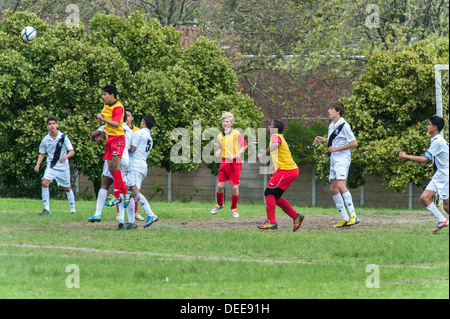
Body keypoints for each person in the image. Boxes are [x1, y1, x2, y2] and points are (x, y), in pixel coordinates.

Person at [399, 116, 449, 232]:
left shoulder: (438, 142)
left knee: (440, 203)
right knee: (428, 199)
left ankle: (442, 220)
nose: (427, 127)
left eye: (429, 125)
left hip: (445, 175)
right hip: (441, 174)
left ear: (435, 127)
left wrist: (406, 156)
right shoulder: (438, 140)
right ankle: (442, 220)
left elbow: (424, 159)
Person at [315, 101, 359, 228]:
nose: (329, 111)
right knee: (333, 188)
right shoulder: (332, 125)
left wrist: (336, 149)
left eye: (331, 109)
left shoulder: (344, 125)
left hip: (342, 159)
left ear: (338, 111)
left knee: (340, 185)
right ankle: (344, 218)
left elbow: (354, 143)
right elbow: (334, 141)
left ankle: (353, 216)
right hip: (334, 159)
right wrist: (323, 140)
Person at [87, 111, 133, 228]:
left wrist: (95, 139)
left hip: (114, 157)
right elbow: (132, 148)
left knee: (105, 184)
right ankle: (121, 218)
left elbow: (93, 134)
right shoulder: (129, 130)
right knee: (121, 187)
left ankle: (98, 214)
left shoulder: (109, 125)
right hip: (125, 159)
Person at [257, 120, 304, 231]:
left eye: (270, 125)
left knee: (268, 192)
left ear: (275, 129)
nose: (268, 127)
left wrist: (264, 153)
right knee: (275, 197)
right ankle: (296, 217)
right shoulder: (277, 137)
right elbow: (277, 154)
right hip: (288, 170)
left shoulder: (275, 137)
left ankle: (271, 222)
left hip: (286, 170)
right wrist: (271, 168)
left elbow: (276, 144)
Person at [96, 84, 130, 207]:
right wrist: (101, 135)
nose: (103, 97)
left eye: (105, 94)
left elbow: (115, 123)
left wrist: (102, 119)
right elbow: (109, 125)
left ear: (112, 95)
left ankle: (117, 196)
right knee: (111, 167)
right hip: (109, 139)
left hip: (118, 139)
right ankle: (125, 193)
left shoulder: (118, 107)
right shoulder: (106, 106)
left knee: (116, 167)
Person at [34, 116, 76, 215]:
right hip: (51, 166)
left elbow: (72, 151)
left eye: (53, 123)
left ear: (57, 125)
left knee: (67, 188)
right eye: (50, 124)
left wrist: (66, 156)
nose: (52, 126)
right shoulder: (45, 139)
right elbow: (42, 153)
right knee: (44, 183)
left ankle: (73, 209)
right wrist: (38, 165)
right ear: (47, 126)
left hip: (63, 167)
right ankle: (47, 209)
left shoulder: (63, 137)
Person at [210, 112, 248, 218]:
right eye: (223, 121)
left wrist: (235, 155)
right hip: (224, 162)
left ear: (232, 123)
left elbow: (244, 146)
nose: (225, 123)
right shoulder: (219, 136)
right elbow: (220, 147)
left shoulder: (236, 133)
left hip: (235, 163)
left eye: (227, 121)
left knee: (235, 187)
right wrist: (218, 152)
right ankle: (219, 204)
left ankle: (234, 208)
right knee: (220, 185)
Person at [125, 115, 159, 229]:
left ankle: (151, 214)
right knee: (130, 193)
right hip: (142, 165)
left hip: (135, 165)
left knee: (133, 190)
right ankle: (131, 221)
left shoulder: (138, 133)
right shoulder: (149, 137)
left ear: (143, 122)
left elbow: (132, 149)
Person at [124, 108, 145, 221]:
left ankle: (135, 213)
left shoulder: (137, 131)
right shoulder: (120, 128)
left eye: (128, 115)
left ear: (132, 118)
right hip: (124, 161)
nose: (126, 117)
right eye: (125, 115)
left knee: (134, 188)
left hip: (133, 163)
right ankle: (120, 213)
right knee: (123, 187)